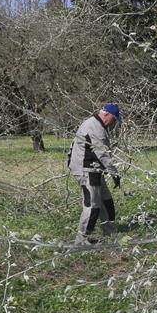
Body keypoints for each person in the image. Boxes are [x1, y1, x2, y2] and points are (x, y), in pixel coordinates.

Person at [68, 104, 122, 244]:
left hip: (95, 169)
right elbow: (102, 153)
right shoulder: (94, 127)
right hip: (86, 170)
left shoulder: (98, 124)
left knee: (106, 201)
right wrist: (114, 173)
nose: (114, 123)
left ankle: (110, 234)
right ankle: (81, 242)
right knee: (92, 206)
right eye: (114, 119)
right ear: (106, 114)